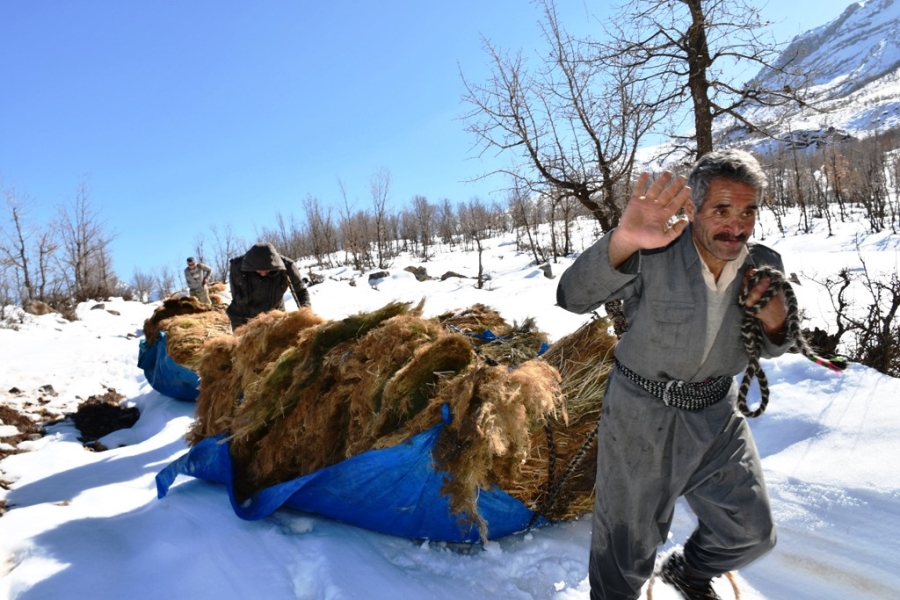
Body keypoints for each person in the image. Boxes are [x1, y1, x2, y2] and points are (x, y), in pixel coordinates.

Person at [557, 149, 791, 600]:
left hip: (716, 415)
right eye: (721, 210)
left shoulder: (764, 264)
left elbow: (767, 347)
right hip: (641, 410)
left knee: (751, 530)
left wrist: (777, 321)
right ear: (692, 209)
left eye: (748, 211)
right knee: (625, 546)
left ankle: (688, 572)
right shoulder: (655, 251)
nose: (736, 225)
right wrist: (622, 240)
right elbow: (572, 296)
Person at [225, 242, 311, 331]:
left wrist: (306, 314)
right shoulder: (237, 266)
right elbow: (235, 295)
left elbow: (301, 291)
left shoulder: (287, 266)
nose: (263, 274)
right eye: (259, 270)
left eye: (267, 271)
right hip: (244, 319)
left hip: (275, 319)